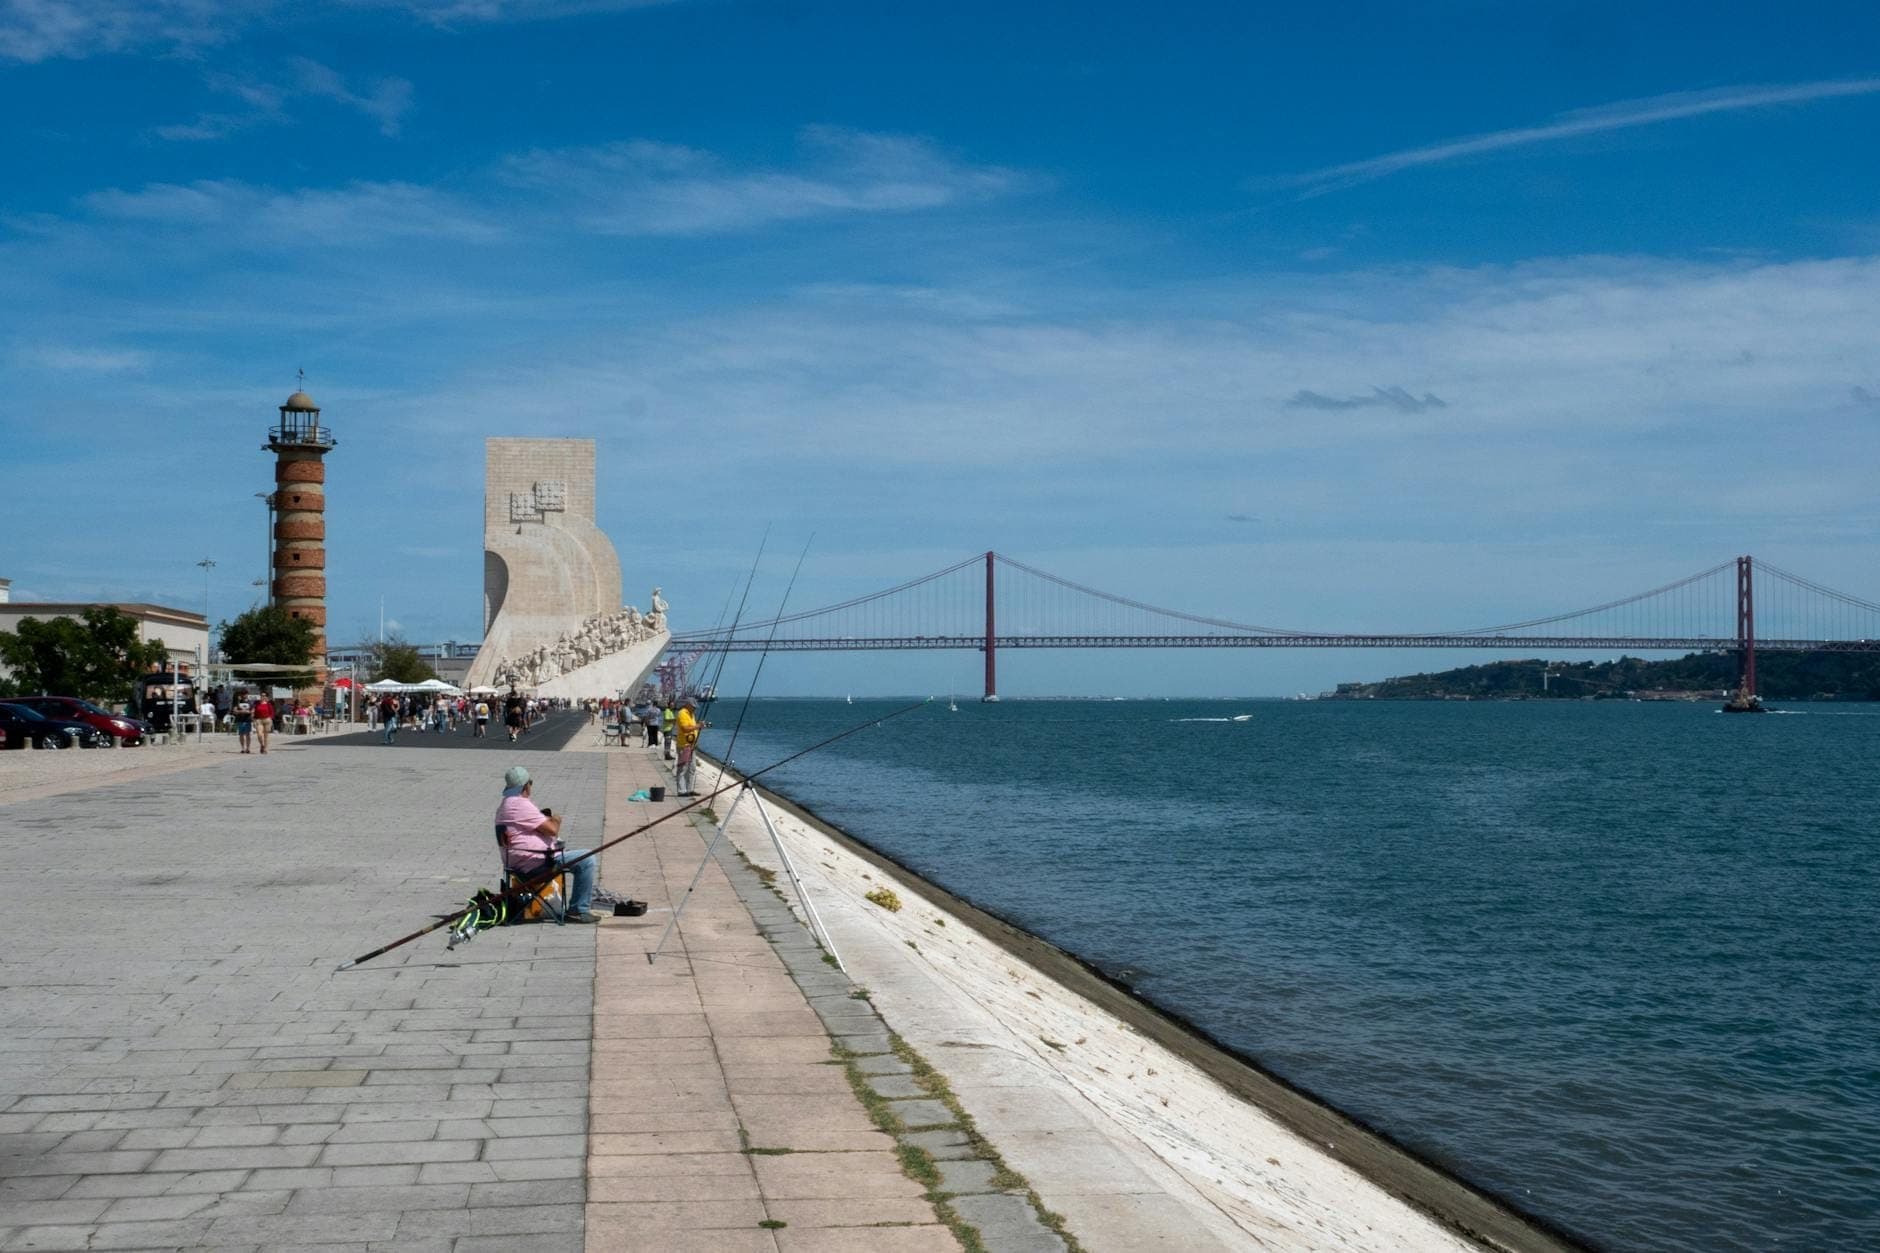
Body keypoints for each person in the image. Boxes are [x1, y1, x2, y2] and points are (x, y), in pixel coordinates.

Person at [496, 766, 600, 923]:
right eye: (530, 783)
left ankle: (578, 908)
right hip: (535, 863)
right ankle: (578, 909)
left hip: (516, 862)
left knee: (578, 856)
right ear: (526, 785)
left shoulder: (505, 804)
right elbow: (552, 830)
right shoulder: (519, 804)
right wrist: (556, 819)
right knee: (587, 859)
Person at [674, 697, 705, 796]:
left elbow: (692, 728)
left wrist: (697, 727)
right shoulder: (682, 713)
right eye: (693, 707)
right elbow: (685, 729)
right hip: (684, 745)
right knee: (683, 768)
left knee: (692, 768)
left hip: (691, 745)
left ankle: (689, 789)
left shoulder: (691, 714)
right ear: (688, 705)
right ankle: (681, 790)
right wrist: (697, 726)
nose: (695, 708)